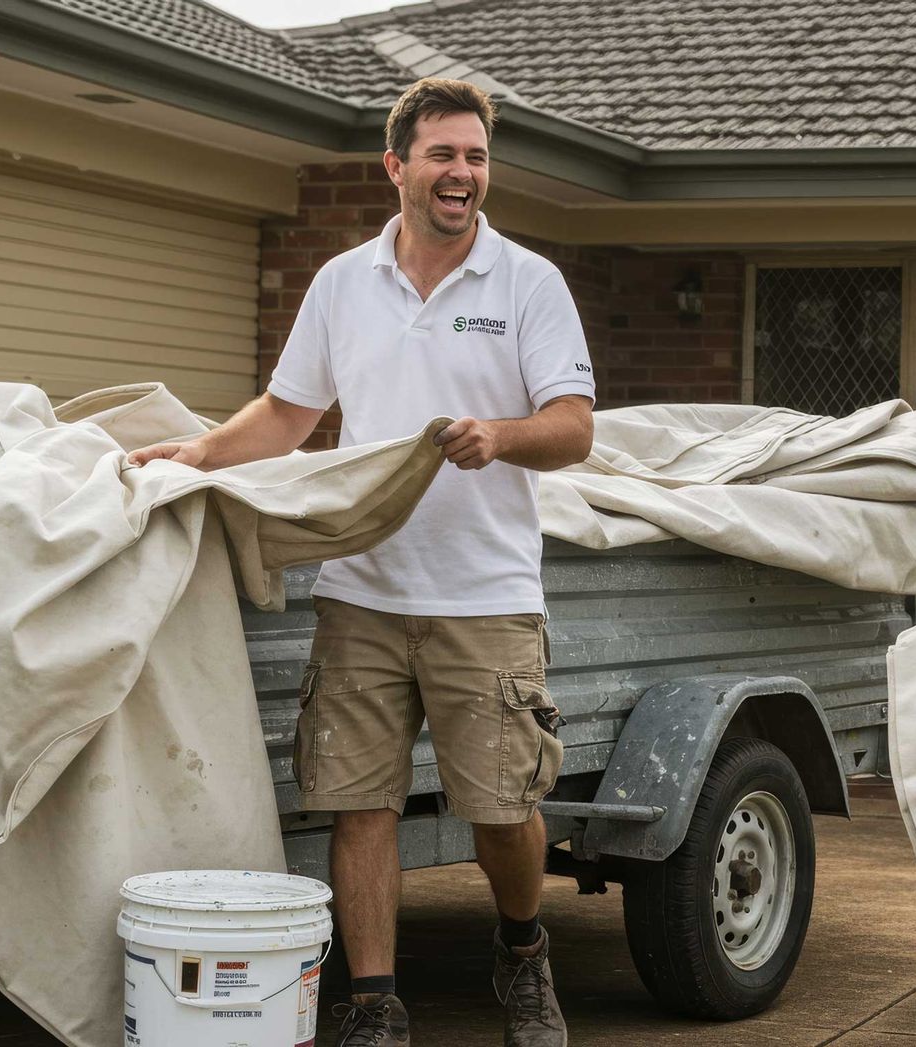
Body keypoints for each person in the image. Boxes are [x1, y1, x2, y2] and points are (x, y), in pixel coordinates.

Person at [129, 77, 595, 1047]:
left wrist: (500, 438)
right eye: (443, 156)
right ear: (397, 168)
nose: (463, 173)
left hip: (485, 597)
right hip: (362, 591)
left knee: (504, 810)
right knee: (357, 803)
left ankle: (521, 952)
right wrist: (198, 455)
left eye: (475, 156)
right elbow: (290, 415)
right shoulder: (343, 282)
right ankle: (376, 1001)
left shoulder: (528, 284)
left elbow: (573, 429)